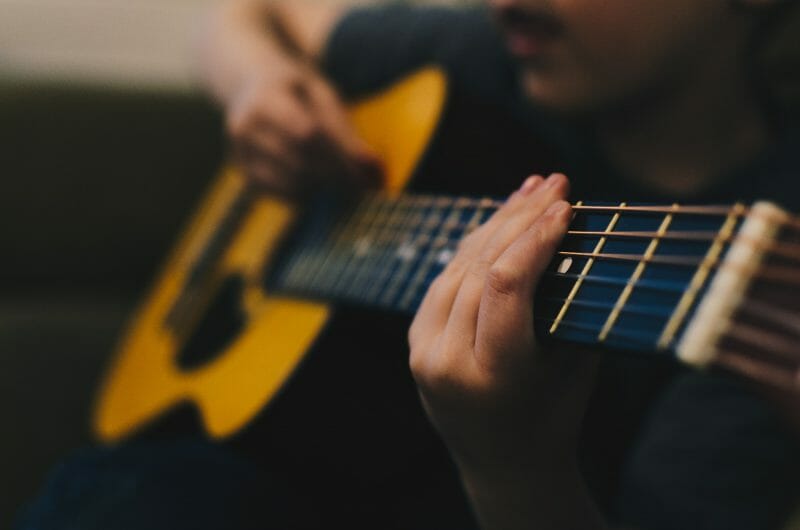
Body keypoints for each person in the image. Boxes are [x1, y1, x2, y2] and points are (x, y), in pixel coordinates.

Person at [15, 1, 800, 529]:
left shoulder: (758, 285)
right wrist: (255, 83)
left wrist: (509, 464)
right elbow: (247, 13)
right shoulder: (493, 57)